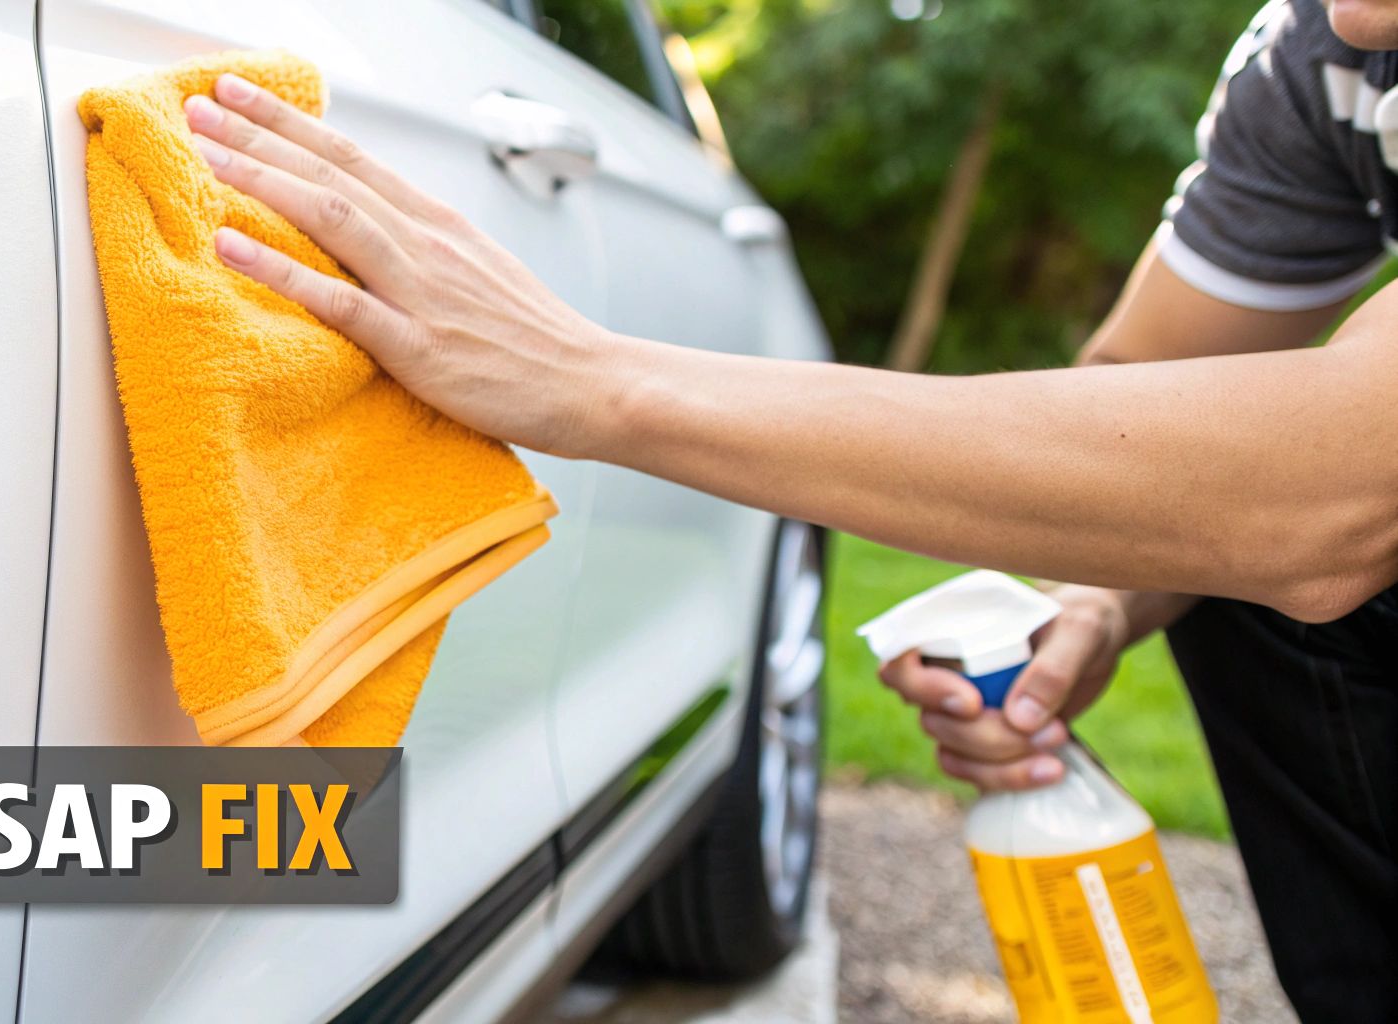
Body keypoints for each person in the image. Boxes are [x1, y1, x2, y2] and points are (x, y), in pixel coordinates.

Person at [177, 0, 1397, 1016]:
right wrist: (1092, 602)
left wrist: (591, 379)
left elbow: (1324, 486)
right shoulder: (1321, 60)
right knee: (1196, 525)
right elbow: (1150, 393)